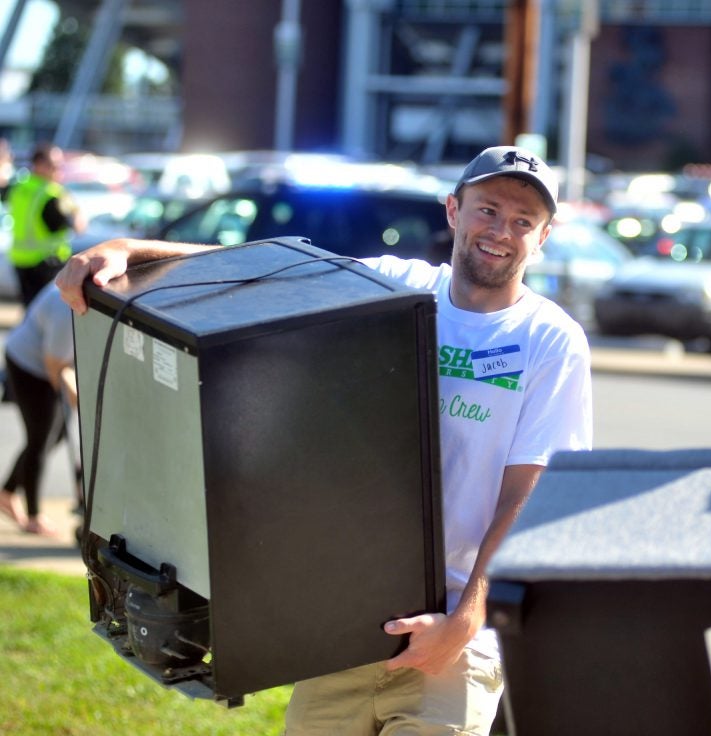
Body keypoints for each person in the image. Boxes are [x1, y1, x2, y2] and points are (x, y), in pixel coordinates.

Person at [55, 145, 594, 735]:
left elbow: (529, 494)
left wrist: (462, 625)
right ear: (453, 210)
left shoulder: (549, 341)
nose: (501, 232)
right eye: (488, 210)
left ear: (542, 237)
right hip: (350, 625)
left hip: (454, 644)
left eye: (523, 222)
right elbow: (270, 272)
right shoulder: (394, 285)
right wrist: (127, 250)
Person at [0, 282, 79, 536]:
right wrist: (68, 394)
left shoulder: (76, 290)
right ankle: (33, 516)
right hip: (28, 366)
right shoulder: (66, 306)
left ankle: (7, 492)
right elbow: (54, 362)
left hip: (49, 361)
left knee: (56, 435)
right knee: (41, 439)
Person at [6, 142, 86, 307]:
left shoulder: (19, 187)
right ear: (39, 165)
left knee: (29, 310)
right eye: (54, 165)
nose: (58, 170)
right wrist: (76, 210)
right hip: (46, 261)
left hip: (19, 259)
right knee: (47, 312)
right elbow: (77, 227)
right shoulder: (52, 194)